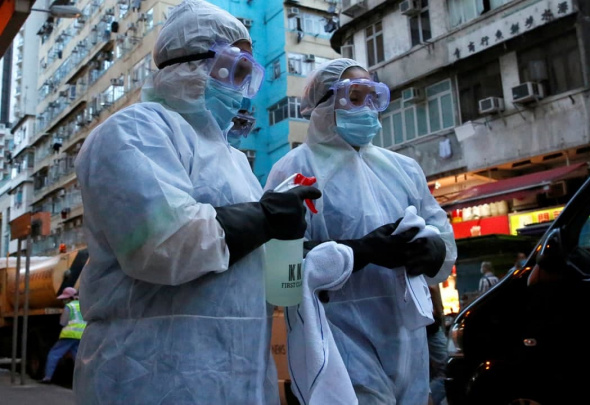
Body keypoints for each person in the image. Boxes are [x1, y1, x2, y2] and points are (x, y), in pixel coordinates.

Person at [73, 1, 320, 403]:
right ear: (188, 63)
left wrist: (294, 244)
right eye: (234, 69)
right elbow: (162, 244)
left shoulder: (235, 162)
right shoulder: (133, 130)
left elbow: (275, 287)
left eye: (247, 75)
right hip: (151, 375)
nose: (240, 88)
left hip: (240, 380)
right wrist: (265, 217)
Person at [266, 58, 457, 404]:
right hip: (336, 343)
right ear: (324, 103)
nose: (367, 108)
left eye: (373, 97)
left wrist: (434, 251)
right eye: (354, 97)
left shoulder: (403, 169)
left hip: (407, 343)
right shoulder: (293, 170)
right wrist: (359, 252)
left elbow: (441, 233)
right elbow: (280, 274)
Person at [40, 287, 85, 384]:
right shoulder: (83, 305)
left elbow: (63, 322)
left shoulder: (69, 306)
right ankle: (83, 380)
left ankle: (47, 377)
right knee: (78, 358)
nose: (63, 301)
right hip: (81, 335)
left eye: (64, 299)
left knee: (54, 354)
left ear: (70, 298)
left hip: (69, 334)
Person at [427, 284, 448, 405]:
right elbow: (432, 287)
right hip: (430, 322)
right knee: (448, 369)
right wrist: (439, 312)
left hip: (421, 323)